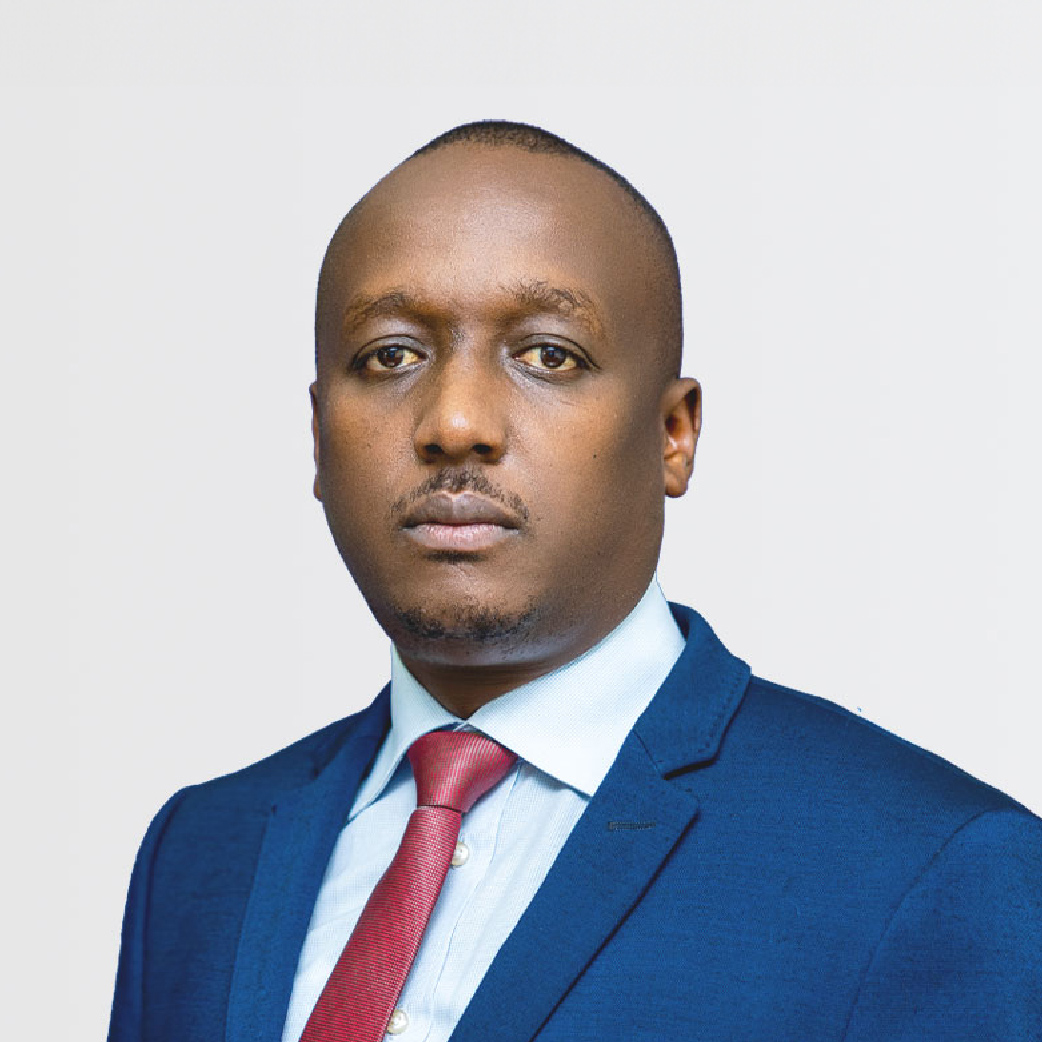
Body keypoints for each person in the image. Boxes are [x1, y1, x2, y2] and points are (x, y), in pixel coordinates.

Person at [108, 121, 1042, 1042]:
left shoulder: (932, 873)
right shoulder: (200, 854)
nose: (456, 422)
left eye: (548, 355)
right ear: (319, 437)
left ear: (673, 435)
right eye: (391, 354)